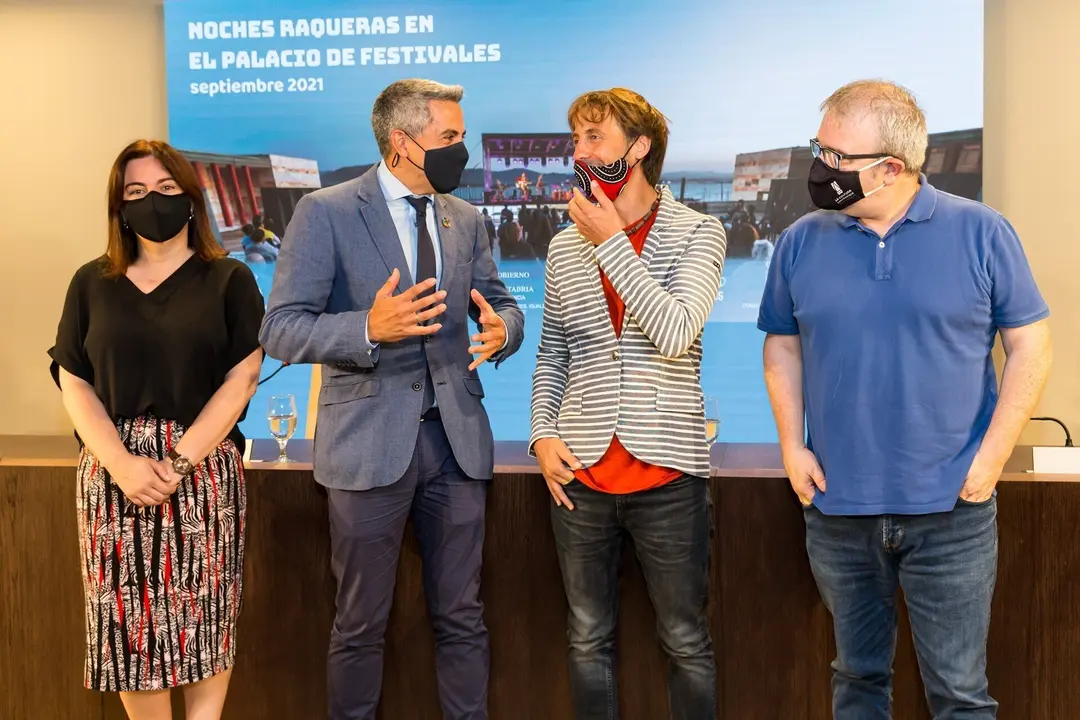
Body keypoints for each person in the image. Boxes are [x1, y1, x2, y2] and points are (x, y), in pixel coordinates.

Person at [758, 80, 1052, 719]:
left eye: (835, 156)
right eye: (820, 148)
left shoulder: (983, 232)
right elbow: (782, 344)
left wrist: (992, 457)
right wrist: (790, 445)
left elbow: (1032, 347)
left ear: (891, 168)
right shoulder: (802, 241)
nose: (820, 168)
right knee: (857, 683)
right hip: (839, 510)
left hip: (952, 511)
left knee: (960, 694)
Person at [258, 78, 524, 720]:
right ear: (403, 142)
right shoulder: (325, 212)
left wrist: (504, 331)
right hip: (366, 449)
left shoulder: (466, 219)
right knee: (359, 625)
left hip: (456, 444)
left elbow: (503, 303)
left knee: (463, 618)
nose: (463, 150)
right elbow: (280, 327)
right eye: (450, 138)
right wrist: (366, 329)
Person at [47, 140, 265, 720]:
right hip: (113, 479)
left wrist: (180, 461)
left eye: (167, 190)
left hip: (200, 476)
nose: (153, 203)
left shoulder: (229, 278)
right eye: (136, 193)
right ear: (119, 206)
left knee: (204, 624)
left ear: (191, 198)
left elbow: (242, 378)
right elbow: (74, 379)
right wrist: (120, 462)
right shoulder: (91, 282)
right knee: (130, 636)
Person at [530, 87, 726, 720]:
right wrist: (541, 434)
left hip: (669, 476)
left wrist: (612, 241)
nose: (579, 152)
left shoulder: (700, 232)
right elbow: (553, 354)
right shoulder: (565, 245)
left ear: (638, 149)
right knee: (587, 640)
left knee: (685, 641)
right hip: (581, 476)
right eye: (577, 140)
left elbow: (674, 331)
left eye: (594, 137)